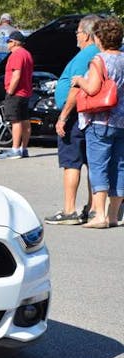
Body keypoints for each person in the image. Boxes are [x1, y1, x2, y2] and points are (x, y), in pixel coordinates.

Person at [45, 15, 101, 225]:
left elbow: (76, 88)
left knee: (72, 162)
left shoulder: (85, 55)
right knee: (91, 162)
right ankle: (92, 207)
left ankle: (69, 210)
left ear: (86, 34)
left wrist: (63, 116)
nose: (76, 36)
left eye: (77, 32)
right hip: (90, 115)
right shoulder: (100, 53)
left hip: (75, 116)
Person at [72, 17, 124, 228]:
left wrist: (78, 80)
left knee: (98, 166)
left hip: (101, 121)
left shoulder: (99, 60)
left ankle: (99, 215)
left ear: (99, 38)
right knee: (120, 166)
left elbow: (93, 88)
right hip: (122, 121)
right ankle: (113, 215)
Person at [0, 31, 33, 160]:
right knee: (25, 120)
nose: (7, 44)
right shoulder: (27, 54)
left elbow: (16, 75)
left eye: (8, 41)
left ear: (14, 42)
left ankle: (15, 149)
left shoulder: (16, 55)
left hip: (17, 92)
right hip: (26, 92)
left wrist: (10, 91)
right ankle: (24, 148)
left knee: (16, 120)